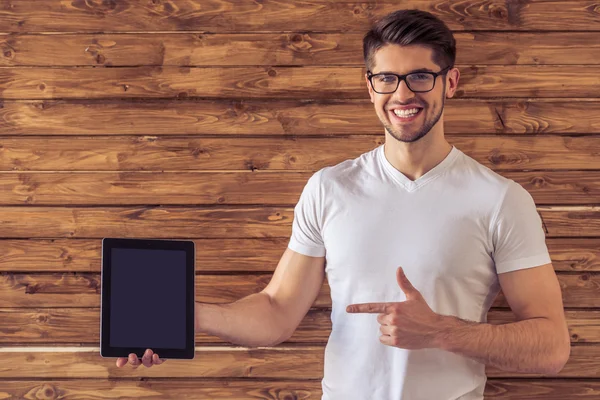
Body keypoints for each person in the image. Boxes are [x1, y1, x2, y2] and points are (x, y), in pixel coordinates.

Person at [116, 9, 571, 400]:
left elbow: (552, 345)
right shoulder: (330, 188)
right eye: (387, 78)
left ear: (450, 82)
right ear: (369, 86)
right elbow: (276, 311)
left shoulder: (499, 199)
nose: (402, 94)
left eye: (420, 76)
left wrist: (441, 333)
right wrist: (184, 317)